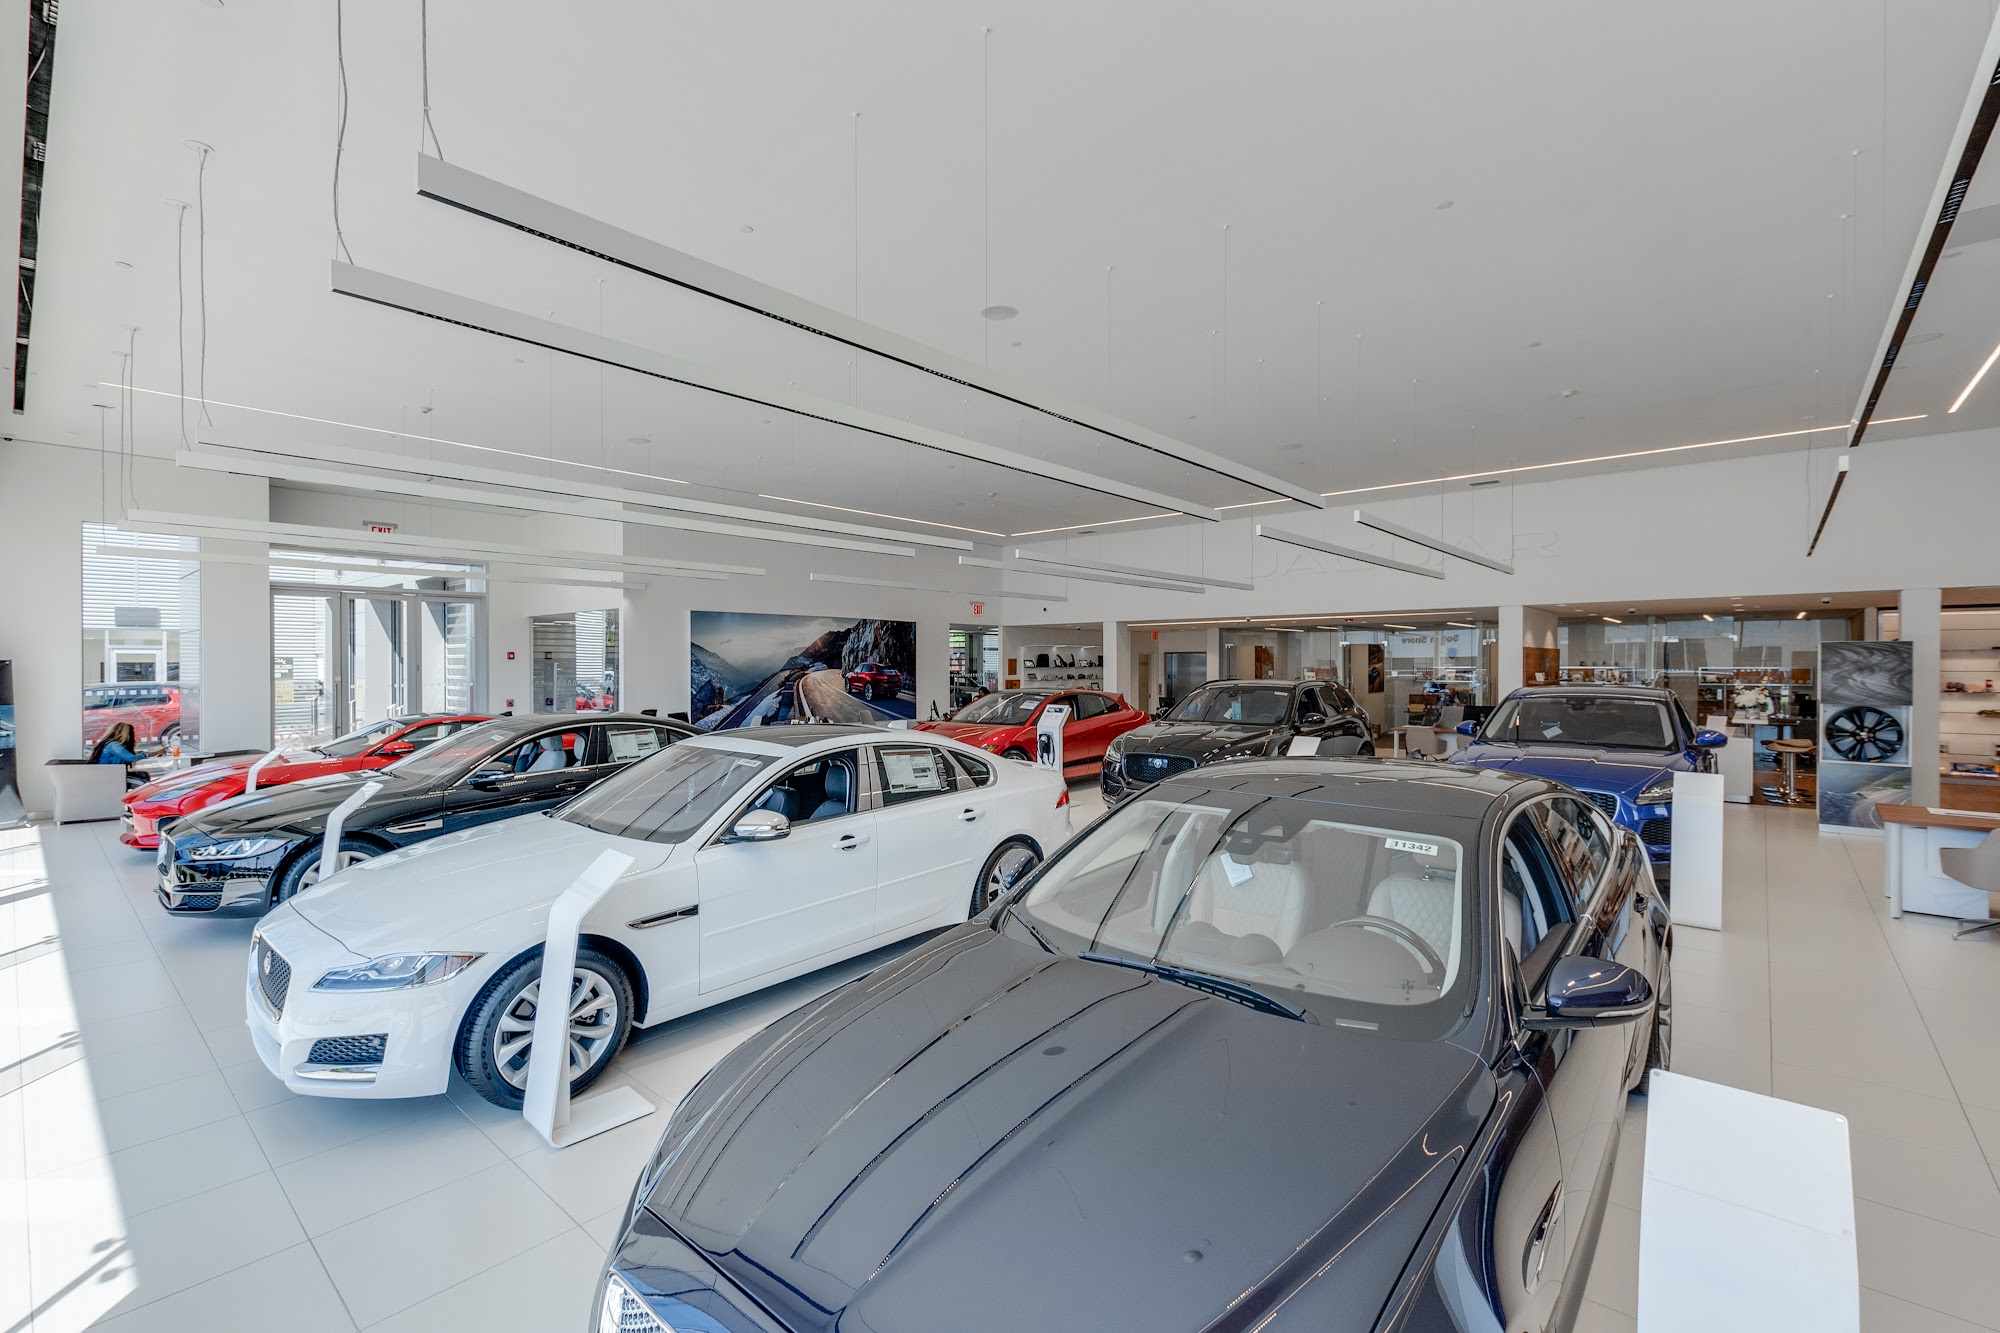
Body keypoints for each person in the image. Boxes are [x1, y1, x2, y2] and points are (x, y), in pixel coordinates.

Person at [89, 722, 148, 786]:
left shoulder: (109, 743)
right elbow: (132, 758)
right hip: (109, 775)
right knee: (142, 784)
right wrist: (151, 754)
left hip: (107, 773)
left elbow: (125, 754)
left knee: (143, 775)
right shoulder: (114, 745)